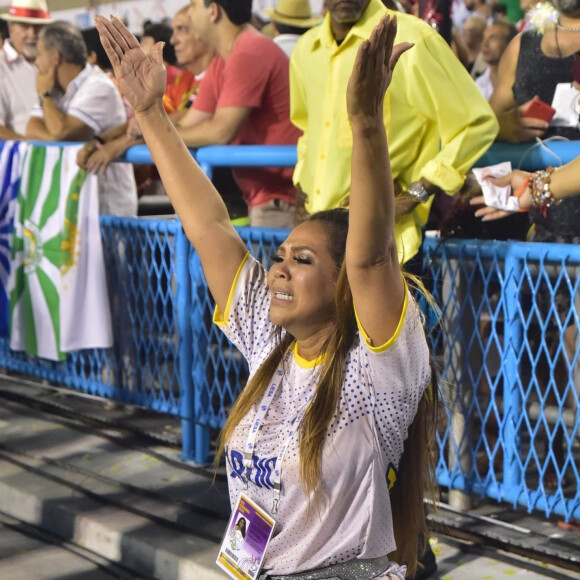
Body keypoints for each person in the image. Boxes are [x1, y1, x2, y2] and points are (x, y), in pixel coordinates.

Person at [95, 12, 439, 579]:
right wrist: (151, 113)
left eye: (302, 261)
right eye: (279, 256)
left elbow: (373, 256)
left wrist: (366, 122)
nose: (277, 270)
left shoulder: (376, 369)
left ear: (344, 284)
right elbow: (209, 227)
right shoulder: (270, 338)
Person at [290, 0, 498, 267]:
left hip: (387, 248)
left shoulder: (411, 37)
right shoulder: (306, 49)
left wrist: (416, 194)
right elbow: (309, 130)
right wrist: (301, 184)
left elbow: (476, 123)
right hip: (317, 245)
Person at [177, 0, 301, 228]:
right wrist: (142, 131)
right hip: (265, 198)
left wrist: (151, 134)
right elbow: (189, 122)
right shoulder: (225, 58)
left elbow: (220, 131)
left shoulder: (249, 51)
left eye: (193, 6)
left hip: (280, 199)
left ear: (213, 11)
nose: (189, 14)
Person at [26, 21, 137, 216]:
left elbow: (63, 132)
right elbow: (31, 130)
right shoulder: (55, 90)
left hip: (109, 211)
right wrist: (55, 133)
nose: (36, 62)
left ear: (55, 57)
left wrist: (44, 97)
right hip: (76, 208)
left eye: (40, 54)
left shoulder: (98, 86)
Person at [0, 0, 53, 140]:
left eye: (38, 26)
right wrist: (34, 148)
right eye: (24, 26)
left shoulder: (57, 62)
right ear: (10, 28)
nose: (32, 34)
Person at [474, 20, 517, 100]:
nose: (485, 43)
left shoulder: (522, 82)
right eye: (484, 37)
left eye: (493, 38)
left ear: (510, 44)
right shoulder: (478, 85)